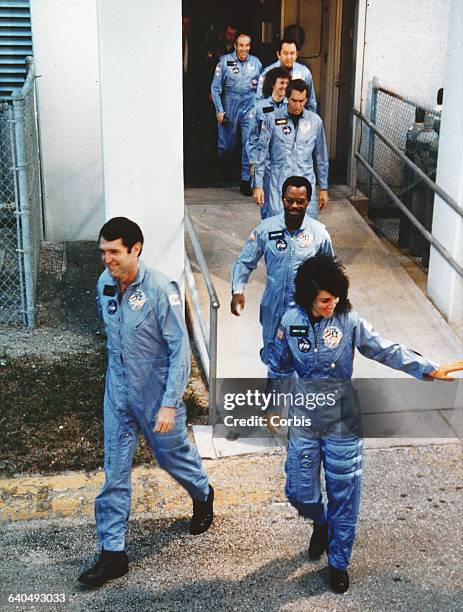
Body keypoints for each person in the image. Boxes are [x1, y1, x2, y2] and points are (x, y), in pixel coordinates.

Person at [267, 254, 463, 593]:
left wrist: (428, 368)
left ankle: (339, 563)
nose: (334, 304)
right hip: (304, 416)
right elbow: (279, 364)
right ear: (308, 296)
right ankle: (320, 523)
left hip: (342, 418)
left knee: (344, 493)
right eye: (326, 299)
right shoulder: (289, 321)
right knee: (298, 490)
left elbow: (385, 349)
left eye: (337, 297)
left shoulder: (349, 321)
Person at [78, 217, 214, 588]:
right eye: (103, 252)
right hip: (118, 393)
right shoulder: (105, 285)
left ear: (135, 249)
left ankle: (202, 493)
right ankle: (112, 553)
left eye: (114, 252)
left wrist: (170, 403)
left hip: (156, 396)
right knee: (115, 472)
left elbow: (179, 350)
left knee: (172, 457)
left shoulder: (160, 290)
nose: (106, 259)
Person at [231, 176, 334, 367]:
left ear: (308, 202)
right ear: (282, 199)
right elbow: (244, 261)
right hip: (273, 307)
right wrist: (238, 290)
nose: (294, 206)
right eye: (290, 200)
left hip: (303, 310)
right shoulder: (266, 229)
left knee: (301, 359)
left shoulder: (319, 235)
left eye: (300, 202)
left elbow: (331, 276)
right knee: (273, 358)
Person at [253, 79, 329, 219]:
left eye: (302, 101)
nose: (298, 105)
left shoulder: (315, 122)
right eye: (294, 100)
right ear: (287, 97)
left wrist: (323, 188)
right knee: (276, 223)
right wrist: (258, 186)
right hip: (278, 181)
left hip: (305, 182)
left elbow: (321, 156)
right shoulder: (272, 119)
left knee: (306, 226)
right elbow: (261, 153)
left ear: (307, 99)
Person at [211, 33, 263, 195]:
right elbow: (215, 89)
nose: (244, 49)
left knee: (249, 143)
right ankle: (225, 166)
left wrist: (259, 109)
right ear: (235, 45)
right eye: (241, 45)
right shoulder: (224, 62)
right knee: (226, 146)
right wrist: (219, 110)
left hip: (249, 105)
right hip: (230, 105)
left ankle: (245, 180)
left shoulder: (256, 63)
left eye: (247, 45)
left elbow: (261, 89)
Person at [246, 67, 290, 219]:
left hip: (285, 165)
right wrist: (253, 163)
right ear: (273, 84)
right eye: (281, 83)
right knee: (267, 210)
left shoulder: (290, 107)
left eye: (287, 83)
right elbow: (251, 138)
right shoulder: (260, 107)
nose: (284, 86)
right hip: (265, 166)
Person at [256, 39, 317, 112]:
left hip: (297, 117)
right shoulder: (268, 72)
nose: (289, 57)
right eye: (285, 53)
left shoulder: (304, 73)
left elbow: (311, 102)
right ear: (278, 54)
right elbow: (259, 100)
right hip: (273, 117)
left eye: (292, 53)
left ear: (296, 54)